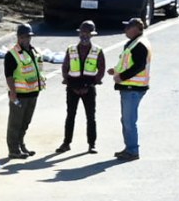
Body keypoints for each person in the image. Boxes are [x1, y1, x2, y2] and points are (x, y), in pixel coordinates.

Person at [58, 20, 104, 154]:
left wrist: (93, 83)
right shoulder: (71, 49)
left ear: (92, 35)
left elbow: (101, 69)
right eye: (83, 33)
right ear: (79, 34)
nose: (85, 36)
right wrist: (68, 82)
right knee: (70, 115)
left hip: (88, 88)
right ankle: (66, 143)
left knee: (90, 116)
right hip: (72, 87)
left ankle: (92, 144)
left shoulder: (97, 51)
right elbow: (65, 67)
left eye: (88, 34)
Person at [2, 24, 45, 160]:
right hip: (19, 95)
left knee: (25, 122)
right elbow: (9, 76)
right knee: (15, 123)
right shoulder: (12, 54)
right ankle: (13, 150)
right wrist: (13, 93)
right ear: (19, 37)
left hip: (33, 93)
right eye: (24, 37)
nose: (27, 39)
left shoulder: (34, 51)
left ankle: (21, 145)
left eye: (29, 36)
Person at [113, 17, 151, 159]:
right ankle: (129, 148)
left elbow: (139, 66)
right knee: (126, 120)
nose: (125, 30)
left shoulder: (139, 44)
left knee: (129, 121)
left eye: (128, 27)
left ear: (135, 29)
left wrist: (121, 77)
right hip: (131, 87)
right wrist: (116, 71)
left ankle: (132, 150)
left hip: (133, 88)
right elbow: (127, 63)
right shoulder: (133, 43)